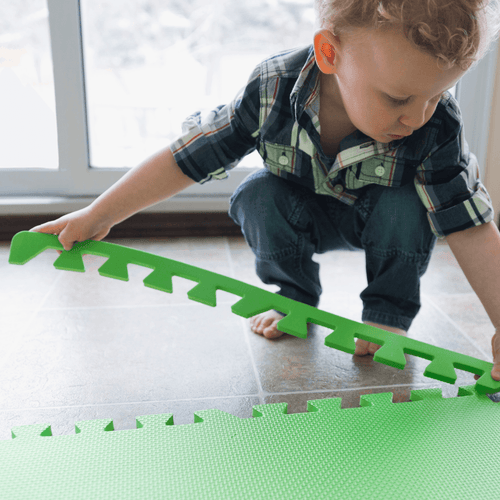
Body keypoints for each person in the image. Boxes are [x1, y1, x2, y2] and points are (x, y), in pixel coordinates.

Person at [31, 0, 500, 381]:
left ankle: (386, 314)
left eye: (437, 94)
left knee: (407, 202)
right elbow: (188, 155)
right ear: (329, 53)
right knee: (257, 193)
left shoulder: (436, 125)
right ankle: (292, 295)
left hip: (385, 220)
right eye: (398, 98)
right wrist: (100, 214)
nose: (416, 117)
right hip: (303, 212)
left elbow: (468, 224)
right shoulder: (272, 87)